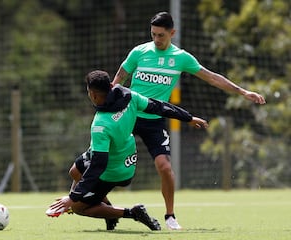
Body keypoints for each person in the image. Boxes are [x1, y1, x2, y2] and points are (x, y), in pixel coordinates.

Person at [111, 11, 266, 230]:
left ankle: (170, 216)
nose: (156, 39)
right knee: (106, 158)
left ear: (172, 33)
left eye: (161, 35)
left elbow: (212, 77)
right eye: (153, 34)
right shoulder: (139, 52)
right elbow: (120, 76)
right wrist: (111, 96)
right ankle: (99, 205)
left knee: (164, 167)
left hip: (155, 120)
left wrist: (243, 92)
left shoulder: (181, 58)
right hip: (129, 115)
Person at [47, 70, 208, 231]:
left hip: (114, 168)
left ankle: (132, 213)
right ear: (111, 86)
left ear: (93, 95)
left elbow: (98, 165)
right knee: (75, 171)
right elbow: (159, 107)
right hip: (126, 153)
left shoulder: (100, 125)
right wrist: (189, 118)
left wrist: (72, 198)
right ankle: (108, 214)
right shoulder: (130, 96)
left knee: (78, 208)